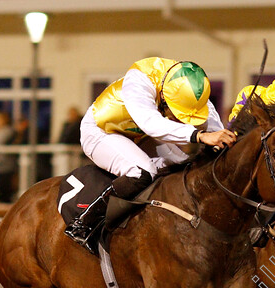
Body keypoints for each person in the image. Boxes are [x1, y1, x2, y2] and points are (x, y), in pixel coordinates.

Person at [71, 57, 235, 250]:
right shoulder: (139, 80)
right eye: (178, 114)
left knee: (186, 167)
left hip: (138, 134)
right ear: (165, 98)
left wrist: (223, 141)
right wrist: (200, 136)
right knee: (142, 171)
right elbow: (151, 123)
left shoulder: (189, 84)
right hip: (101, 131)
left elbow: (211, 119)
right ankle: (85, 224)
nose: (182, 121)